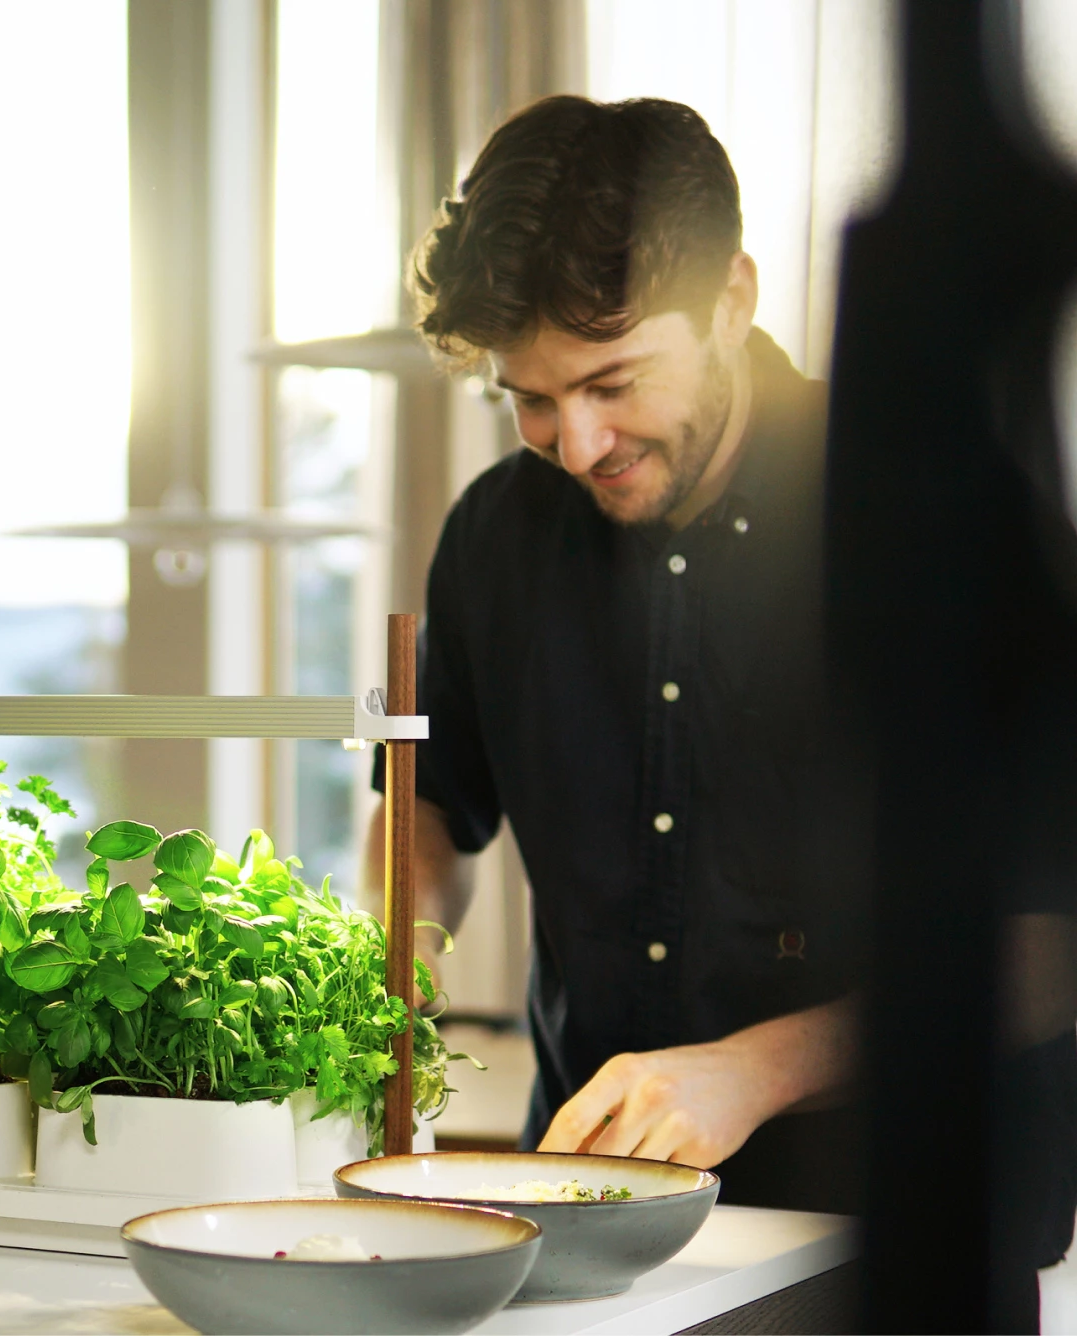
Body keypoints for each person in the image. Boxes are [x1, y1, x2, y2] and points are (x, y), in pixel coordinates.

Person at [361, 94, 864, 1213]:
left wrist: (752, 1069)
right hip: (579, 1215)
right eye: (530, 400)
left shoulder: (920, 511)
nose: (575, 446)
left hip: (885, 1233)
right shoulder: (495, 531)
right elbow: (429, 804)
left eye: (611, 382)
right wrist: (404, 956)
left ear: (729, 301)